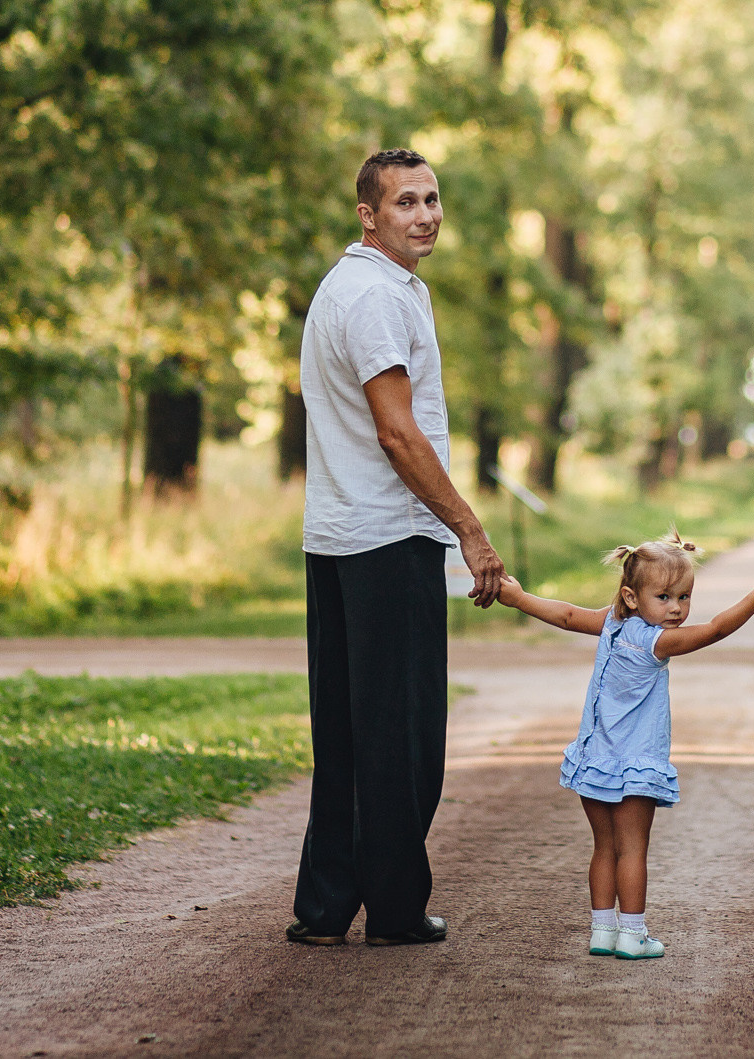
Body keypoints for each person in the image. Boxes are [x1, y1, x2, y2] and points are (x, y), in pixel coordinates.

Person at [287, 149, 506, 948]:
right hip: (386, 539)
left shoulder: (353, 285)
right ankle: (395, 907)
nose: (425, 213)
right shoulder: (377, 297)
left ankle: (324, 907)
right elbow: (396, 430)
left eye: (433, 198)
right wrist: (470, 529)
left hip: (340, 538)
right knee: (402, 735)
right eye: (406, 201)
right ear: (368, 215)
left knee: (347, 731)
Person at [495, 536, 754, 959]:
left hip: (593, 761)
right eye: (663, 597)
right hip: (635, 767)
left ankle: (602, 931)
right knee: (632, 849)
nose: (677, 609)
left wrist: (519, 599)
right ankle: (632, 933)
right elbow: (717, 628)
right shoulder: (657, 642)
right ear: (631, 597)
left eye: (684, 597)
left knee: (604, 848)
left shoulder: (611, 623)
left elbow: (567, 615)